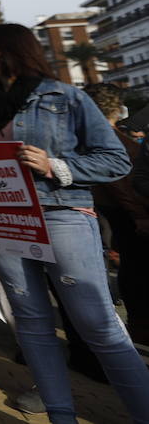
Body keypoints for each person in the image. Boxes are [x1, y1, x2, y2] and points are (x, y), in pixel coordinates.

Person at [0, 25, 148, 424]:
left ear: (3, 51)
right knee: (32, 323)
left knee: (97, 324)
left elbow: (116, 159)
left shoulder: (65, 96)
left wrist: (55, 166)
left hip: (61, 213)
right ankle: (61, 415)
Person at [87, 83, 149, 346]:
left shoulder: (93, 136)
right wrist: (139, 215)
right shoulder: (109, 138)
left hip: (119, 212)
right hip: (131, 214)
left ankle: (139, 325)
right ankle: (141, 327)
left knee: (132, 270)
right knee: (138, 271)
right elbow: (122, 182)